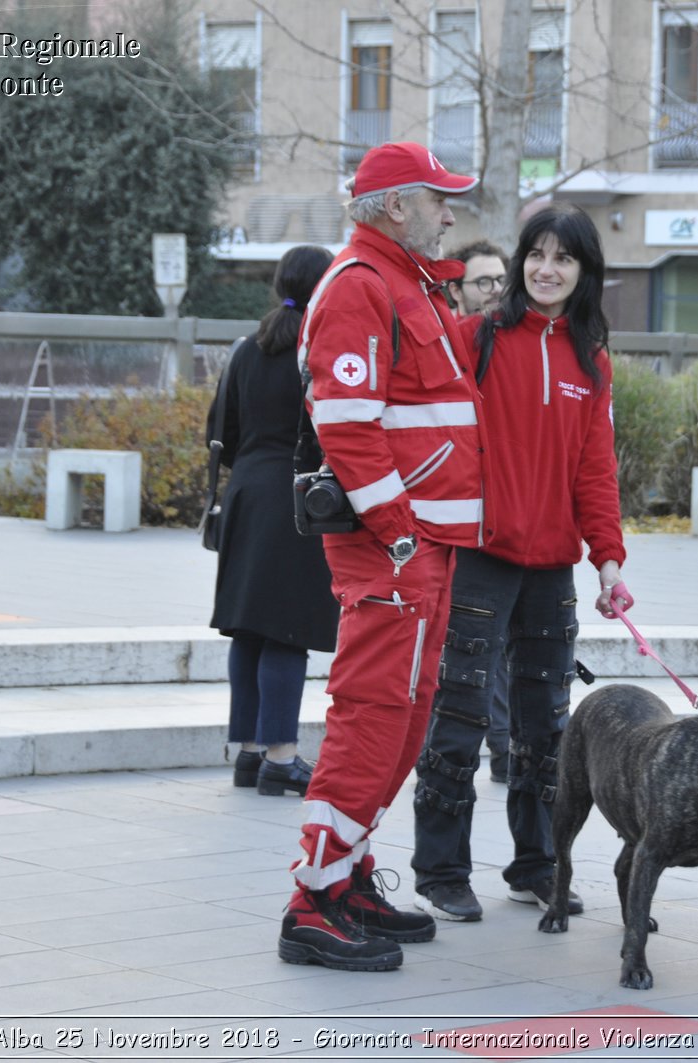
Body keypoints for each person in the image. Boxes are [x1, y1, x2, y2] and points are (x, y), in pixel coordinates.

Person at [278, 142, 484, 973]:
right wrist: (399, 531)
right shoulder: (363, 286)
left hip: (419, 547)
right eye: (440, 199)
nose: (450, 212)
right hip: (394, 550)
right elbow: (351, 425)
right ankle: (312, 900)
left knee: (402, 712)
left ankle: (349, 871)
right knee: (374, 713)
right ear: (396, 206)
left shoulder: (407, 283)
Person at [411, 204, 630, 923]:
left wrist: (608, 560)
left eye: (563, 258)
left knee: (545, 730)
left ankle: (537, 865)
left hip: (551, 569)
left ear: (583, 271)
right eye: (536, 254)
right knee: (460, 715)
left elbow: (595, 470)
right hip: (477, 558)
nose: (546, 269)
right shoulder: (475, 337)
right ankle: (440, 868)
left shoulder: (590, 359)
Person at [209, 246, 338, 796]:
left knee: (249, 628)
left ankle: (249, 754)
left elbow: (223, 431)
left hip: (245, 495)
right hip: (296, 495)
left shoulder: (247, 348)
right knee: (287, 631)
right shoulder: (321, 348)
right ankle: (282, 759)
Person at [448, 239, 513, 782]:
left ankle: (507, 744)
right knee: (478, 647)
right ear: (457, 290)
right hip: (464, 524)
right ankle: (494, 747)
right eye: (483, 283)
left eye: (500, 281)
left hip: (518, 523)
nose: (495, 292)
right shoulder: (453, 349)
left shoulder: (517, 344)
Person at [450, 240, 508, 317]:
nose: (498, 289)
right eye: (484, 282)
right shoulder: (441, 327)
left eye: (502, 280)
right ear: (456, 291)